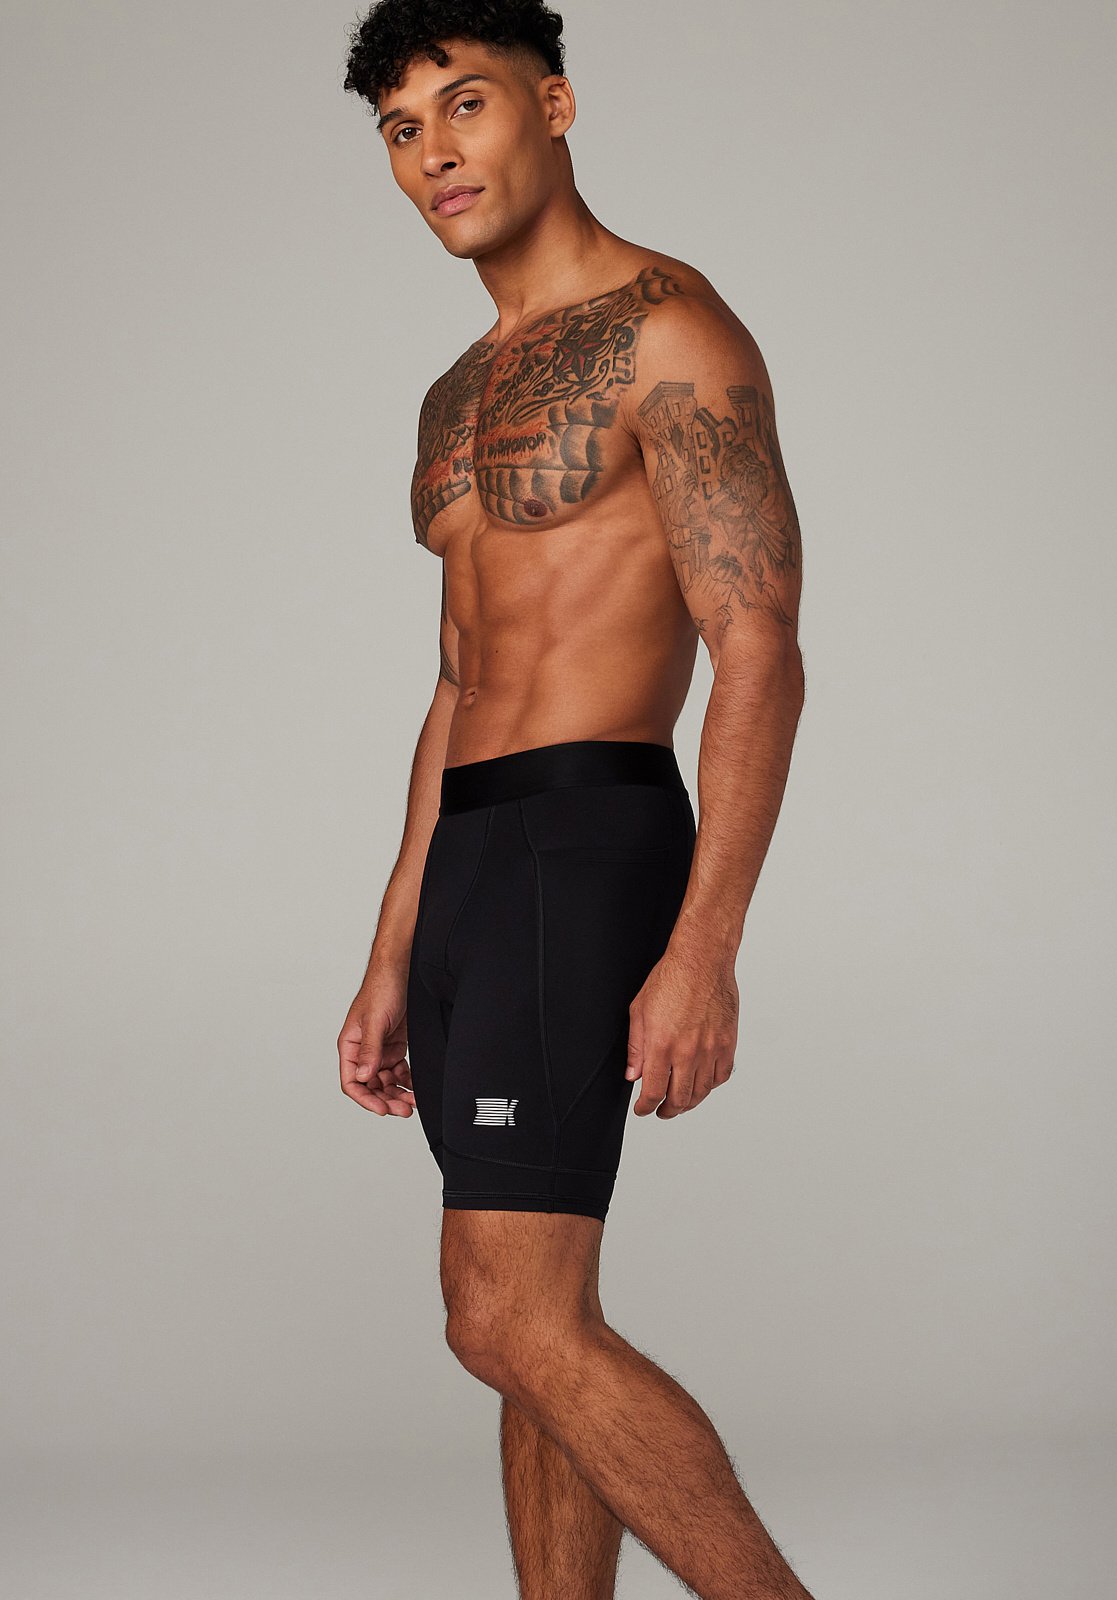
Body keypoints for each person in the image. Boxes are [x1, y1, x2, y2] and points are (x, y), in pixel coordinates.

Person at [338, 4, 812, 1596]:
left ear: (553, 104)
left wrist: (706, 946)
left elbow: (759, 644)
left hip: (584, 839)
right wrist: (393, 944)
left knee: (503, 1317)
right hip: (475, 860)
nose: (435, 153)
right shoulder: (454, 394)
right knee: (542, 1322)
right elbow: (458, 681)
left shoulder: (671, 329)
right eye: (402, 129)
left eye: (464, 106)